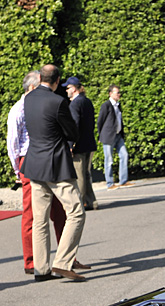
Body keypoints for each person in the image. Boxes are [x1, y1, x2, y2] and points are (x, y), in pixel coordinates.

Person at [21, 64, 89, 282]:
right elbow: (72, 131)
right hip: (56, 164)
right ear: (57, 80)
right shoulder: (58, 101)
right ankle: (62, 262)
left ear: (40, 77)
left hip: (34, 164)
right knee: (76, 212)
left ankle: (41, 269)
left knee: (40, 220)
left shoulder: (28, 99)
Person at [7, 69, 65, 275]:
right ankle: (31, 261)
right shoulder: (18, 110)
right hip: (29, 160)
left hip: (45, 159)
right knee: (31, 214)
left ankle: (65, 258)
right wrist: (18, 168)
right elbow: (13, 143)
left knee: (59, 211)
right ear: (32, 87)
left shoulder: (37, 104)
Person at [63, 76, 98, 211]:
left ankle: (81, 202)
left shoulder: (75, 104)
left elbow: (74, 125)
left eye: (68, 87)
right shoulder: (87, 101)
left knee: (80, 175)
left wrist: (71, 144)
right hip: (89, 143)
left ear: (75, 89)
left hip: (80, 145)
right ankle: (91, 201)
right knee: (86, 173)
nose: (66, 90)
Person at [96, 85, 130, 189]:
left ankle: (123, 180)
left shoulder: (118, 105)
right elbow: (100, 121)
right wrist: (100, 135)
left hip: (118, 135)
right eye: (117, 93)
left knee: (124, 155)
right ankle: (110, 183)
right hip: (108, 136)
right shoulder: (106, 105)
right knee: (109, 160)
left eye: (119, 92)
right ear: (110, 94)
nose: (119, 94)